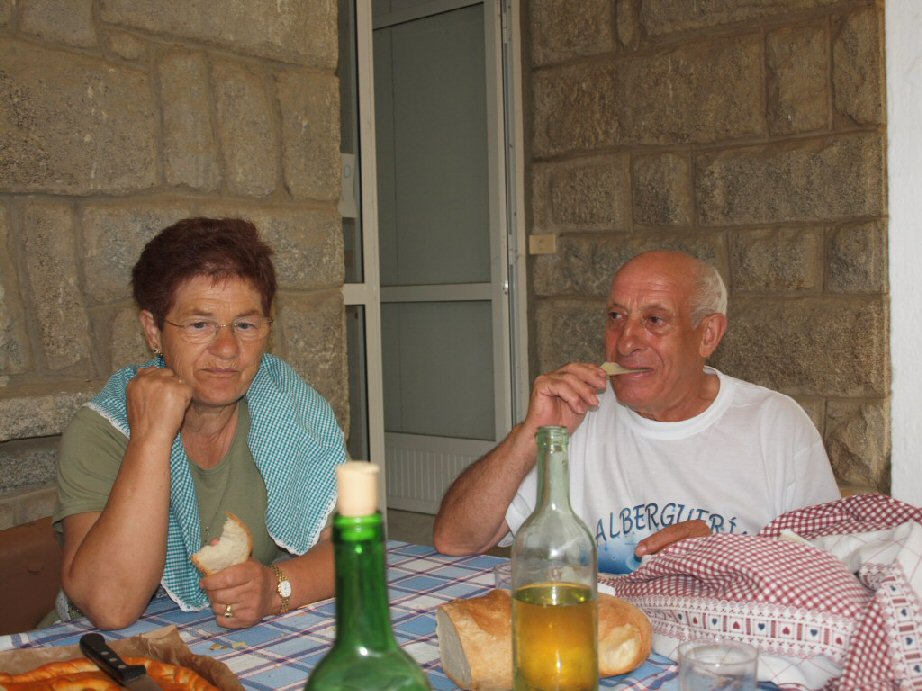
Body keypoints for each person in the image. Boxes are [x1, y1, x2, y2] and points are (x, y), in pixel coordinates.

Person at [433, 250, 840, 573]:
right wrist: (531, 435)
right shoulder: (578, 415)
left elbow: (831, 568)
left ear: (708, 335)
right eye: (616, 317)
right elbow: (455, 540)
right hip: (601, 635)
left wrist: (725, 556)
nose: (625, 342)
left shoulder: (775, 425)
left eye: (654, 320)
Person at [53, 217, 347, 629]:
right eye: (199, 324)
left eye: (245, 325)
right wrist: (151, 437)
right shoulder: (103, 429)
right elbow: (111, 606)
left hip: (250, 641)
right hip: (110, 648)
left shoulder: (292, 407)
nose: (227, 348)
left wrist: (276, 588)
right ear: (153, 330)